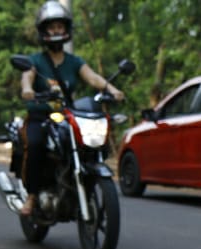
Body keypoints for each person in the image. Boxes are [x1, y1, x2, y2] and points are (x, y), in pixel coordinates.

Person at [18, 1, 124, 217]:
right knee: (36, 145)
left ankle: (80, 183)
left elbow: (92, 77)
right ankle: (31, 196)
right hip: (40, 116)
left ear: (66, 29)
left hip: (67, 116)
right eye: (52, 27)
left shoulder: (74, 61)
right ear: (44, 30)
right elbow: (26, 77)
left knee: (88, 144)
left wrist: (112, 89)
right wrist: (28, 89)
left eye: (60, 26)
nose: (56, 31)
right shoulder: (35, 60)